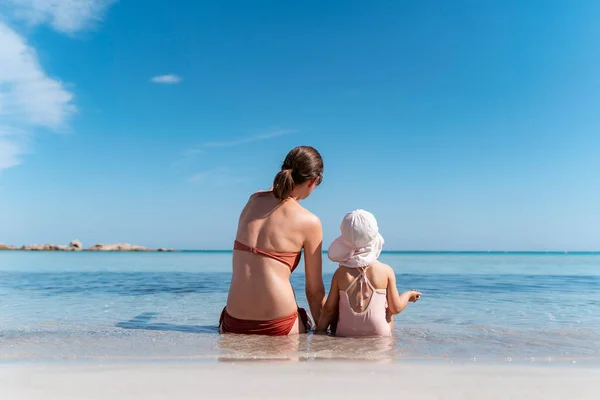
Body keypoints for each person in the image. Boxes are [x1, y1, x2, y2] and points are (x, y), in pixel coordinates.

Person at [219, 146, 326, 336]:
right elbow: (314, 292)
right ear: (313, 181)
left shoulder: (253, 201)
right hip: (279, 324)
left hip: (233, 322)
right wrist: (324, 332)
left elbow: (271, 195)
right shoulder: (309, 222)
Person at [316, 209, 421, 337]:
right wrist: (408, 294)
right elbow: (396, 308)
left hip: (345, 332)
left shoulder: (340, 273)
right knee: (388, 309)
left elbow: (329, 309)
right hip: (379, 333)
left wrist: (319, 332)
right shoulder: (386, 270)